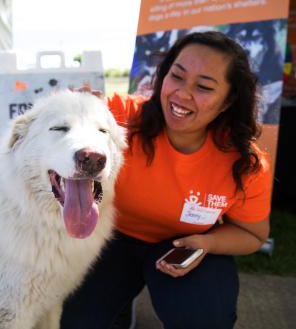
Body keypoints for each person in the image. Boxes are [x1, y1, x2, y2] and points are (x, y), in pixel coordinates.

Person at [60, 31, 272, 329]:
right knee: (72, 321)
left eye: (204, 87)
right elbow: (63, 118)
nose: (182, 94)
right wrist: (75, 108)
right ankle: (119, 306)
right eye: (177, 76)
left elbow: (254, 235)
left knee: (203, 320)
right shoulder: (116, 116)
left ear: (228, 101)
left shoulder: (244, 164)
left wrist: (207, 243)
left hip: (181, 245)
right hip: (109, 238)